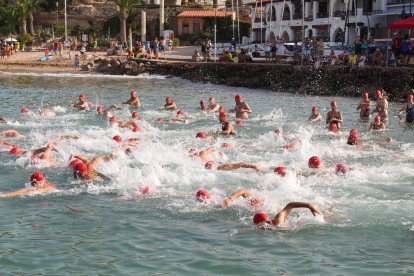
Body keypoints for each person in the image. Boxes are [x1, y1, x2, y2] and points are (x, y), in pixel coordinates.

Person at [252, 202, 321, 228]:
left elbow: (290, 205)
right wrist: (308, 205)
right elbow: (290, 205)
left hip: (300, 225)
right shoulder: (277, 220)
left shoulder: (278, 220)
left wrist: (309, 205)